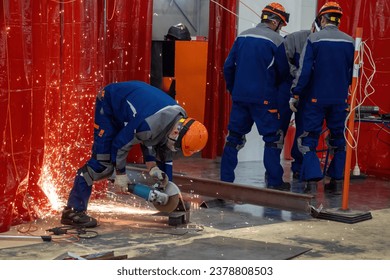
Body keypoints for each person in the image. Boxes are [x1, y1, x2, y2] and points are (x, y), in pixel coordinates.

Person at [61, 81, 208, 227]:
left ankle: (167, 197)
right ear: (177, 133)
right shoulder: (147, 124)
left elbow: (153, 139)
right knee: (102, 164)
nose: (176, 151)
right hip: (110, 103)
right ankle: (73, 211)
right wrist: (120, 174)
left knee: (162, 150)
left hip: (139, 111)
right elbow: (120, 144)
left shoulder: (179, 117)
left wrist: (153, 167)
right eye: (177, 147)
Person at [221, 2, 291, 190]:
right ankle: (275, 183)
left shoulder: (242, 36)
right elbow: (284, 73)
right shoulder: (278, 42)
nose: (281, 28)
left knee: (233, 138)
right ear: (275, 21)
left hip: (240, 97)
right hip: (264, 100)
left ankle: (225, 182)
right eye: (281, 24)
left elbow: (228, 67)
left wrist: (233, 90)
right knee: (272, 139)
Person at [289, 2, 354, 193]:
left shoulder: (314, 39)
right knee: (338, 139)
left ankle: (311, 179)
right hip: (340, 99)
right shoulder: (350, 41)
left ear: (322, 19)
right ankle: (337, 180)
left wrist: (296, 93)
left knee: (308, 137)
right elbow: (354, 72)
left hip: (315, 100)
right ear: (338, 20)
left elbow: (304, 71)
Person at [279, 20, 319, 180]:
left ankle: (299, 168)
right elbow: (283, 63)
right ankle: (273, 172)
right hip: (286, 88)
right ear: (313, 26)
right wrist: (299, 74)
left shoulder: (323, 44)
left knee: (303, 130)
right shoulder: (294, 39)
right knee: (278, 131)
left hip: (307, 91)